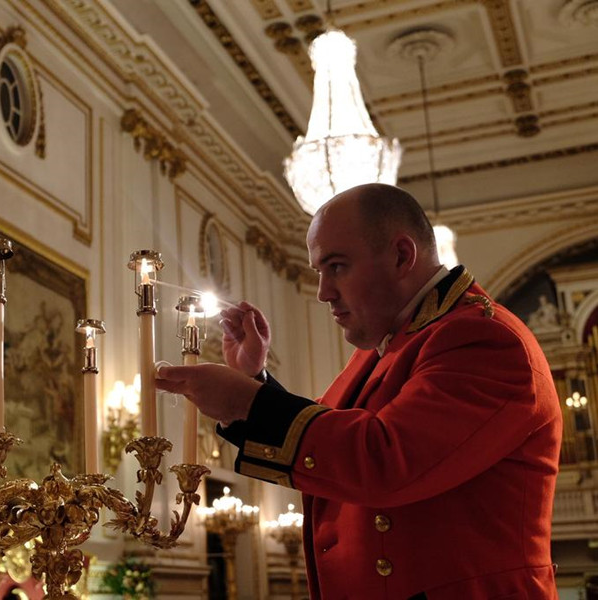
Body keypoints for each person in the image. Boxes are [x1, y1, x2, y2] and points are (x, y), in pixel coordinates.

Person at [156, 183, 562, 599]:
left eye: (337, 266)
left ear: (403, 256)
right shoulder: (395, 342)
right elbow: (331, 447)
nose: (323, 292)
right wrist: (254, 381)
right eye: (319, 272)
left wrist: (246, 401)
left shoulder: (484, 340)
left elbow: (384, 457)